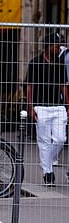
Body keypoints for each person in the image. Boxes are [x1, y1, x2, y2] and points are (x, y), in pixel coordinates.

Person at [25, 32, 68, 187]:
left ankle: (47, 162)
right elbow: (30, 86)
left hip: (57, 106)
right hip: (41, 106)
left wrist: (67, 106)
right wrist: (30, 107)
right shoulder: (35, 63)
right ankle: (47, 173)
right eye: (56, 46)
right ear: (48, 47)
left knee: (60, 139)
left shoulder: (59, 63)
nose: (59, 48)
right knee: (44, 141)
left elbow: (64, 85)